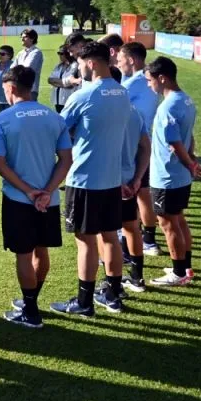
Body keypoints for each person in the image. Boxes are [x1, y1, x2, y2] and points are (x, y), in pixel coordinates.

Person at [0, 66, 73, 329]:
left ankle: (31, 311)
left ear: (10, 88)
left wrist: (27, 190)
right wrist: (47, 191)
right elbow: (66, 159)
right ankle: (31, 300)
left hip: (18, 200)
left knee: (23, 255)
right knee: (41, 250)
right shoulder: (54, 117)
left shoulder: (1, 120)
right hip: (48, 200)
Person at [50, 42, 130, 317]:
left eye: (80, 63)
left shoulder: (83, 95)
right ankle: (113, 292)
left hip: (84, 178)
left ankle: (84, 302)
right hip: (111, 177)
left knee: (85, 241)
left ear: (91, 63)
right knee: (110, 237)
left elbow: (58, 129)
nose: (78, 68)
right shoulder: (122, 93)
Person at [145, 57, 201, 285]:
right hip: (180, 176)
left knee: (168, 223)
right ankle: (185, 268)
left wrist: (190, 163)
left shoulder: (167, 107)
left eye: (150, 81)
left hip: (166, 175)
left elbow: (175, 143)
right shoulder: (186, 100)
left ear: (162, 78)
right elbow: (190, 136)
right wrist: (191, 160)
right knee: (179, 219)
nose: (150, 86)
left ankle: (178, 273)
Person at [106, 67, 151, 294]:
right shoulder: (134, 112)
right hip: (129, 181)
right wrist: (137, 179)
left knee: (106, 235)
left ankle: (112, 286)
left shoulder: (104, 111)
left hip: (107, 182)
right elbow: (146, 147)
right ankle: (137, 278)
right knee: (131, 228)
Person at [117, 42, 163, 257]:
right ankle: (149, 239)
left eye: (120, 59)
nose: (118, 63)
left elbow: (112, 101)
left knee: (130, 194)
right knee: (142, 192)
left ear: (132, 60)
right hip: (145, 142)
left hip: (131, 144)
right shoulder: (148, 80)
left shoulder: (135, 82)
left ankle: (127, 243)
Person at [11, 29, 44, 100]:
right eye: (21, 37)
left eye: (25, 37)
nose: (22, 39)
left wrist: (17, 70)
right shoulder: (20, 53)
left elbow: (26, 68)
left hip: (30, 90)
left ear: (32, 38)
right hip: (18, 88)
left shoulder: (36, 52)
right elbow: (12, 68)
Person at [47, 46, 75, 112]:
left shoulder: (74, 66)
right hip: (57, 100)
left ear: (67, 54)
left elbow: (70, 85)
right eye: (58, 53)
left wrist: (56, 82)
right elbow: (50, 80)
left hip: (68, 100)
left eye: (61, 53)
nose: (59, 55)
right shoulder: (58, 66)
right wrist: (64, 84)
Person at [0, 45, 14, 112]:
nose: (0, 55)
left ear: (9, 55)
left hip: (8, 99)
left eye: (3, 54)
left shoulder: (13, 65)